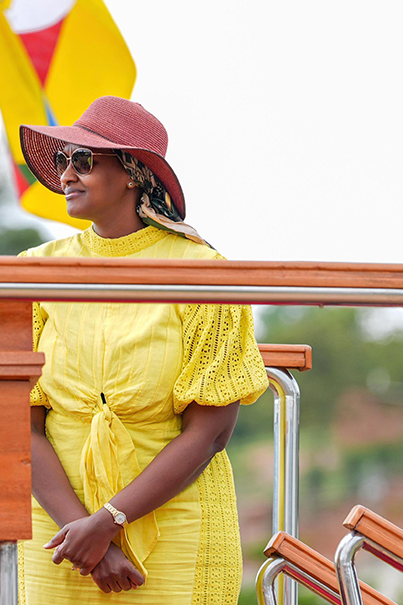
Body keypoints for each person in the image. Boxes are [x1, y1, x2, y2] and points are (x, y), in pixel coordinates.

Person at [16, 96, 269, 604]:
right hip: (57, 533)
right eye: (64, 159)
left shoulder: (204, 273)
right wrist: (84, 534)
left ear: (132, 173)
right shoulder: (34, 270)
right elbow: (20, 424)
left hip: (177, 528)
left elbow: (210, 433)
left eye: (84, 160)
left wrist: (109, 522)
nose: (66, 173)